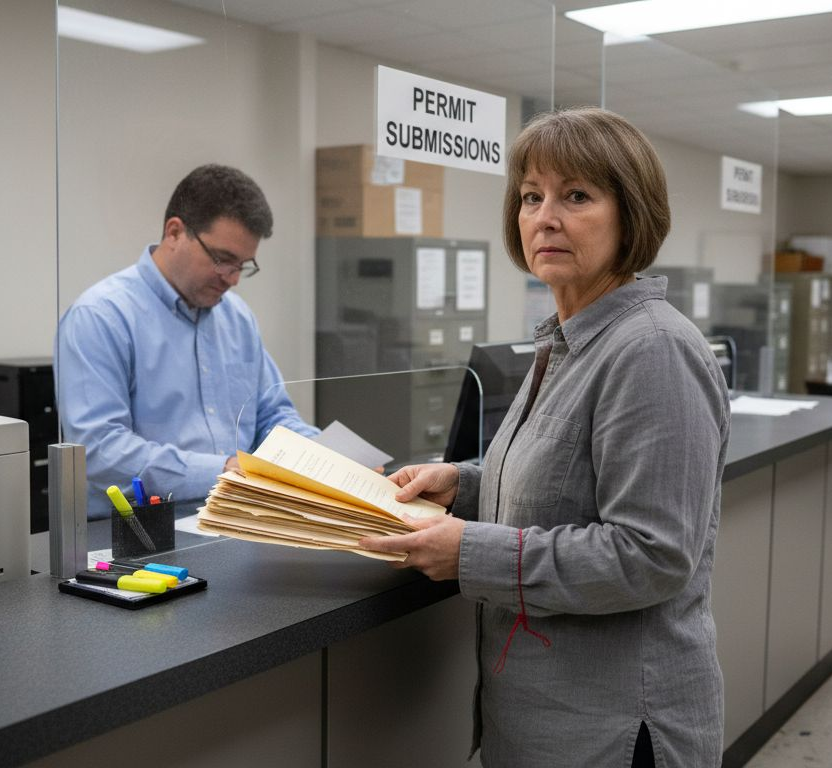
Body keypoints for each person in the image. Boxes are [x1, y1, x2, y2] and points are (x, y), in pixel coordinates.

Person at [361, 108, 730, 768]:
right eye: (532, 197)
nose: (544, 217)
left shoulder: (651, 349)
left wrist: (470, 551)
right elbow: (565, 482)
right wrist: (464, 484)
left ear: (631, 212)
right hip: (544, 720)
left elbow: (651, 555)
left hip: (613, 731)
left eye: (577, 196)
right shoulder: (565, 342)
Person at [56, 164, 317, 518]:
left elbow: (272, 414)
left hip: (236, 517)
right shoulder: (100, 316)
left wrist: (323, 459)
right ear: (175, 232)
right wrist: (222, 470)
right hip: (136, 534)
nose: (233, 279)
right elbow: (101, 450)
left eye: (243, 265)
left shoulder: (236, 317)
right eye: (223, 260)